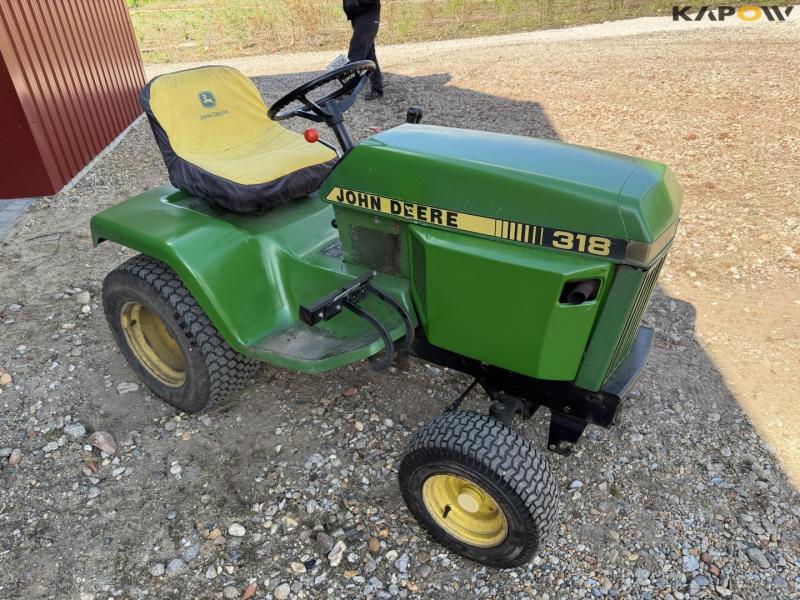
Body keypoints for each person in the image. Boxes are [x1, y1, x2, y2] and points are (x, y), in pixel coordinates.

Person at [343, 0, 383, 100]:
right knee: (369, 54)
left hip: (367, 13)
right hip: (357, 14)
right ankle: (377, 88)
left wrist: (357, 2)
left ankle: (347, 90)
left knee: (356, 52)